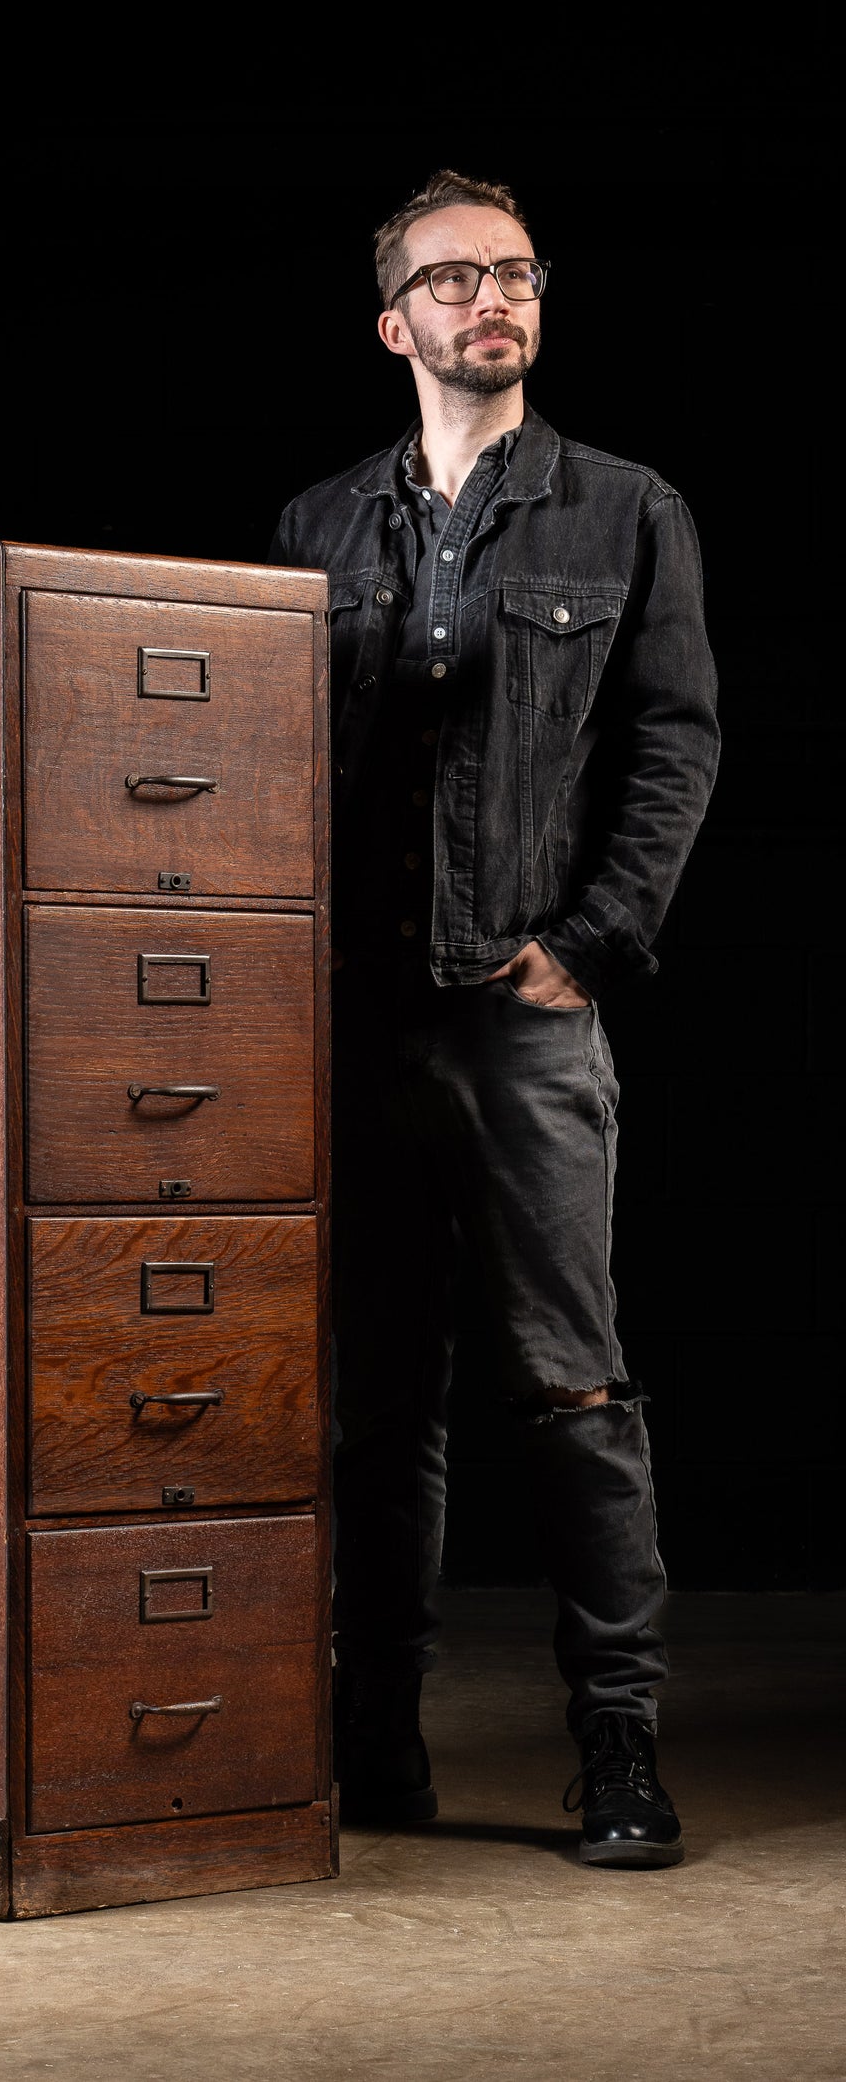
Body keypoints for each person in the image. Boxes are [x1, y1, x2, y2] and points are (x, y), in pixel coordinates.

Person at [268, 169, 719, 1867]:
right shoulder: (317, 527)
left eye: (515, 273)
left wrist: (593, 944)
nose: (490, 300)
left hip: (520, 1019)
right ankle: (375, 1744)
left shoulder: (627, 509)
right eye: (452, 279)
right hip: (350, 1027)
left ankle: (620, 1752)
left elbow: (678, 744)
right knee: (378, 1400)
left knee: (575, 1392)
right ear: (396, 323)